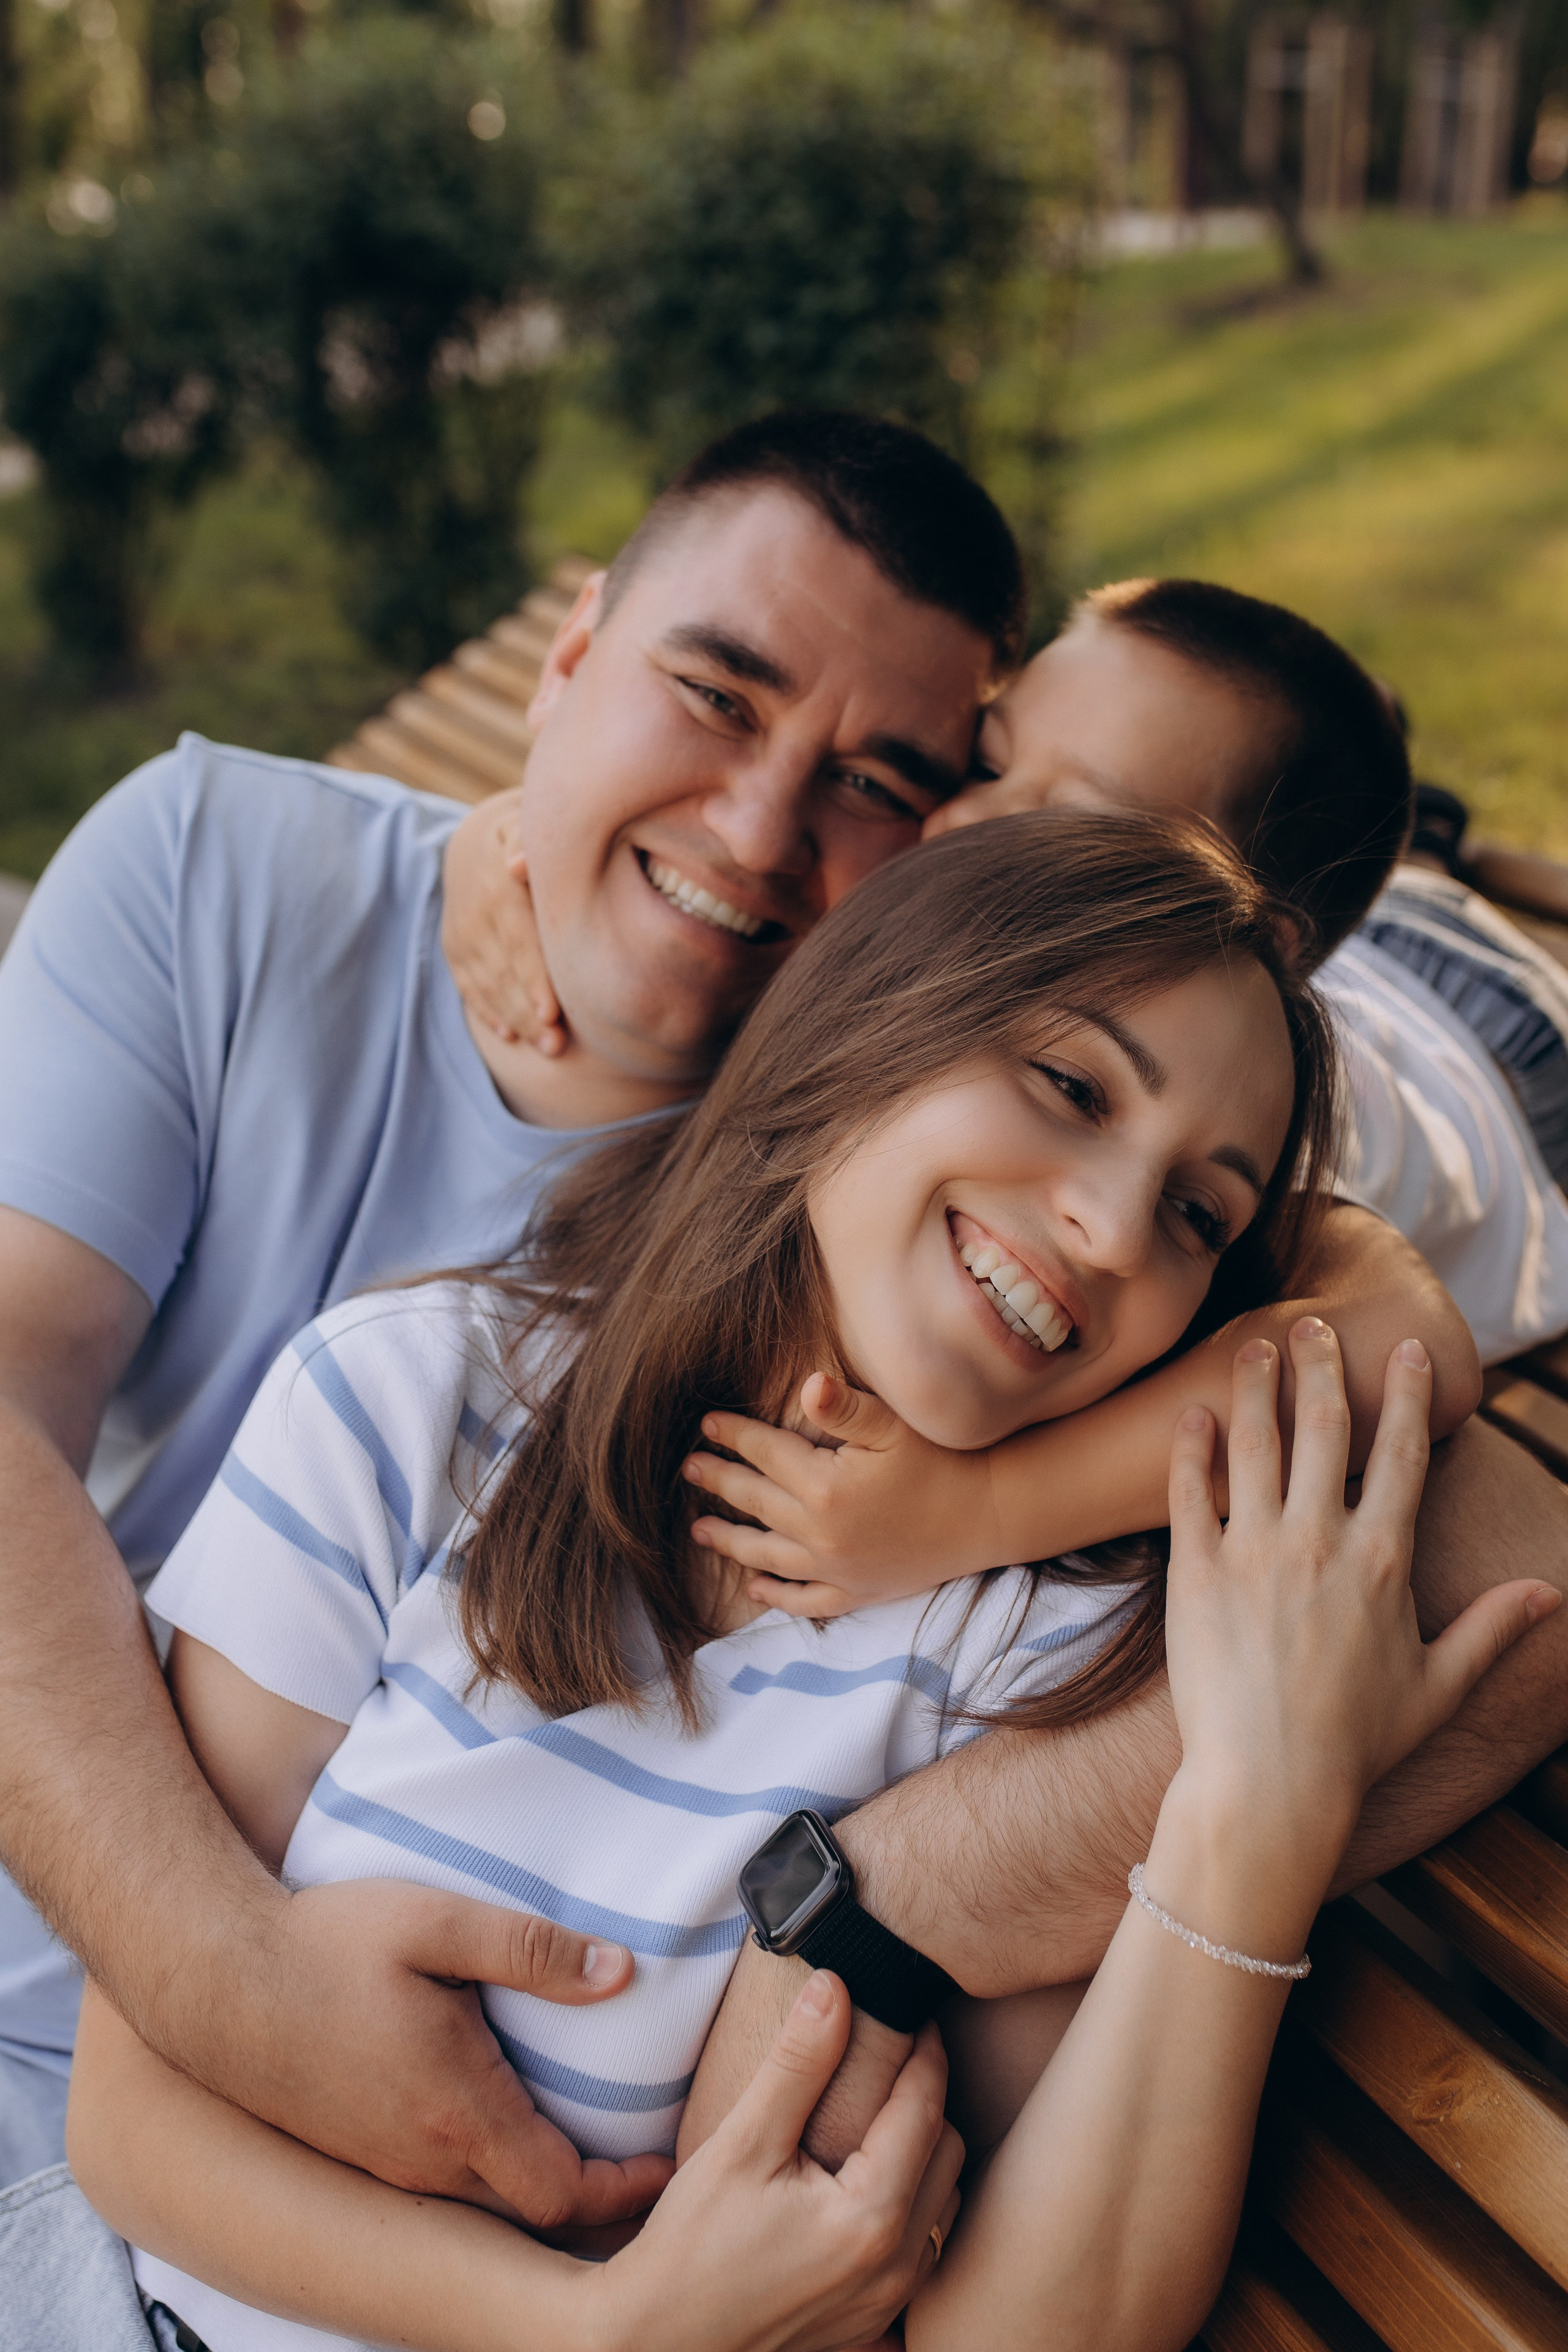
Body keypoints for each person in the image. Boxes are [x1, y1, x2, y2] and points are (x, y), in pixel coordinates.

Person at [0, 409, 1553, 2211]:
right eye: (713, 697)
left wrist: (873, 1893)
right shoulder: (236, 866)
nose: (779, 833)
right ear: (569, 656)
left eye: (897, 783)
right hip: (153, 2050)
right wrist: (230, 1990)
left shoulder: (968, 1150)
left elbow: (1404, 1348)